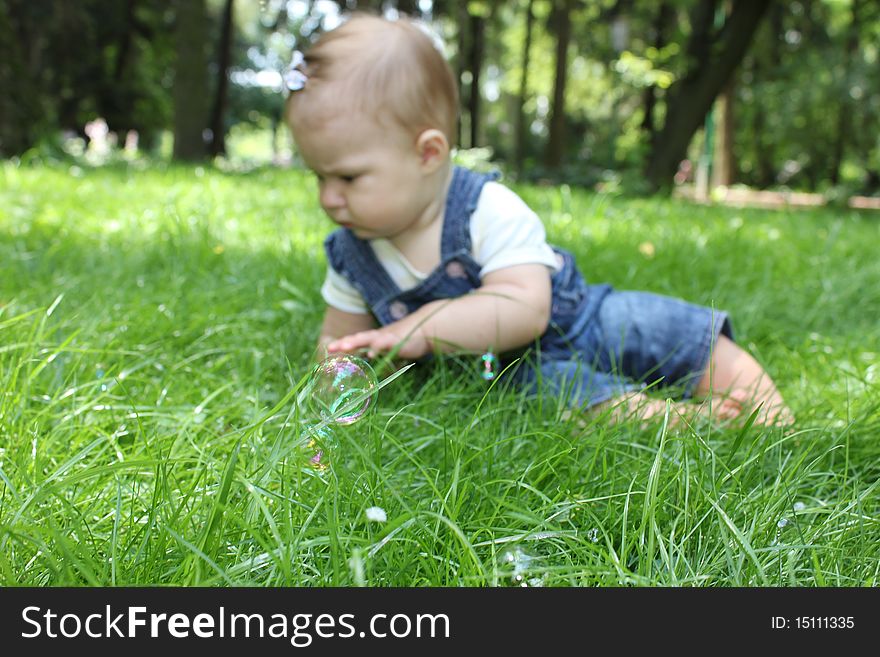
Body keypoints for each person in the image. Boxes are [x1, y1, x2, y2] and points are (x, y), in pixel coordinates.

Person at [284, 13, 794, 427]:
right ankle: (671, 421)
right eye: (317, 177)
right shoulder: (351, 253)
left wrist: (418, 329)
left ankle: (764, 407)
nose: (330, 198)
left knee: (656, 325)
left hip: (575, 318)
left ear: (427, 154)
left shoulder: (487, 208)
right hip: (506, 368)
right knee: (560, 395)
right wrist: (338, 378)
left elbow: (524, 307)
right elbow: (337, 341)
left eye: (348, 178)